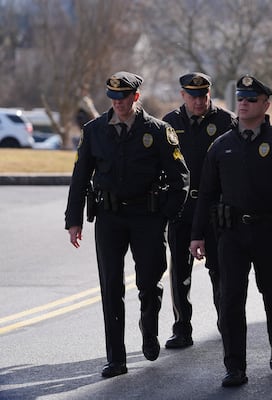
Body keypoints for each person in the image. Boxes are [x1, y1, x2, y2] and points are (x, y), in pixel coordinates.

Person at [65, 71, 190, 377]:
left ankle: (149, 327)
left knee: (148, 282)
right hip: (109, 218)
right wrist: (74, 220)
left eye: (123, 98)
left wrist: (166, 214)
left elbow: (180, 177)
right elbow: (80, 176)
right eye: (113, 98)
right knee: (111, 287)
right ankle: (116, 358)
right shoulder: (94, 131)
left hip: (147, 218)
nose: (118, 103)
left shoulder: (158, 130)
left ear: (136, 97)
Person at [189, 75, 272, 387]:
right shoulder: (221, 146)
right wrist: (197, 234)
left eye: (251, 99)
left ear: (266, 104)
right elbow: (206, 193)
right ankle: (235, 367)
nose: (243, 104)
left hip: (271, 233)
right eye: (240, 98)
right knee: (230, 299)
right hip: (231, 235)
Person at [162, 72, 235, 349]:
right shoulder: (170, 123)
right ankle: (182, 327)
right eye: (193, 96)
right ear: (183, 96)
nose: (199, 101)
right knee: (180, 271)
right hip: (182, 208)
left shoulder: (226, 121)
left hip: (216, 210)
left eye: (203, 95)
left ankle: (225, 323)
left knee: (221, 271)